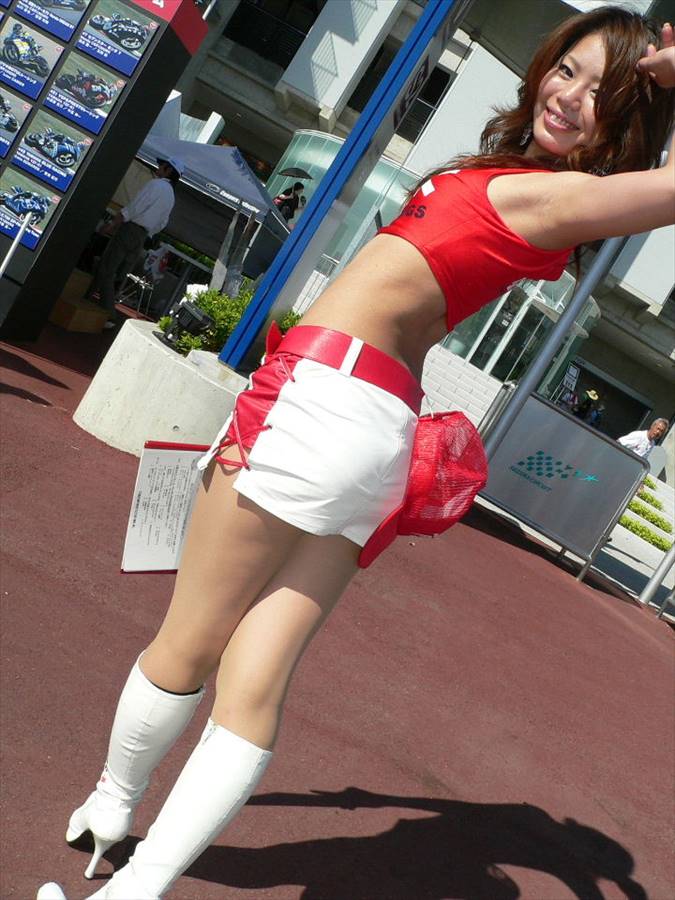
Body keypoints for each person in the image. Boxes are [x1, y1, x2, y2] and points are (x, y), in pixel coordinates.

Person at [38, 8, 675, 899]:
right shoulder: (533, 188)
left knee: (188, 642)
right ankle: (135, 887)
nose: (568, 96)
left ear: (626, 122)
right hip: (374, 433)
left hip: (317, 398)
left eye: (601, 93)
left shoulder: (552, 197)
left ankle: (112, 803)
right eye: (566, 69)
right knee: (255, 682)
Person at [89, 157, 182, 327]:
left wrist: (113, 224)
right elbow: (163, 223)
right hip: (143, 235)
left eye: (162, 165)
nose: (158, 167)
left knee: (107, 268)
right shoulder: (171, 196)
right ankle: (87, 299)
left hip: (131, 228)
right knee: (116, 272)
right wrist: (147, 232)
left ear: (169, 170)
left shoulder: (156, 185)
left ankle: (109, 315)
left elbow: (135, 207)